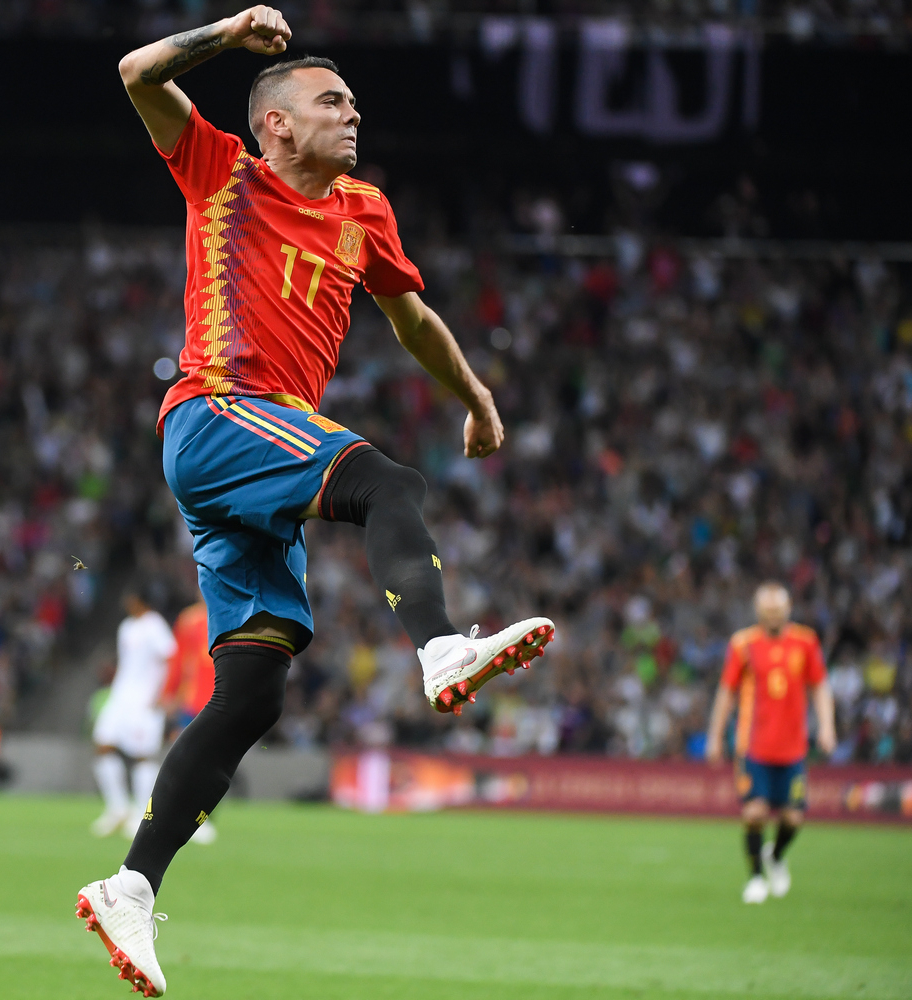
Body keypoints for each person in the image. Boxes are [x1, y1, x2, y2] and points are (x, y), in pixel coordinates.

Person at [74, 9, 554, 995]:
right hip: (218, 412)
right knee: (388, 482)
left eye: (354, 103)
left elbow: (411, 319)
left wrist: (476, 396)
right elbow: (135, 73)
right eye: (332, 102)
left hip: (257, 458)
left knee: (255, 688)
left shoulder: (364, 210)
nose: (353, 114)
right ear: (277, 125)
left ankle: (131, 883)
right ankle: (440, 646)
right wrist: (229, 30)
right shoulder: (222, 172)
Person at [705, 582, 836, 905]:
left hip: (792, 750)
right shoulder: (743, 644)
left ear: (788, 609)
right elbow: (727, 692)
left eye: (778, 610)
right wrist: (715, 736)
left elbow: (819, 686)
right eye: (768, 610)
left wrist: (827, 726)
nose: (773, 615)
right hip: (753, 747)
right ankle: (755, 878)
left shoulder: (805, 642)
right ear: (758, 611)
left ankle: (775, 855)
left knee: (793, 818)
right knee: (754, 812)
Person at [90, 585, 177, 839]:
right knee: (103, 745)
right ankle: (118, 808)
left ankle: (142, 814)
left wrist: (164, 694)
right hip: (120, 698)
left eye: (131, 597)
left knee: (143, 756)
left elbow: (171, 659)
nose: (127, 602)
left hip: (145, 701)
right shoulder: (126, 627)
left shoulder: (155, 625)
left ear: (142, 600)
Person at [159, 600, 218, 844]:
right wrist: (169, 692)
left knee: (211, 763)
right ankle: (178, 814)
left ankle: (200, 818)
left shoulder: (235, 611)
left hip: (221, 700)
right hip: (191, 701)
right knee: (185, 759)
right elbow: (178, 659)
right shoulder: (189, 619)